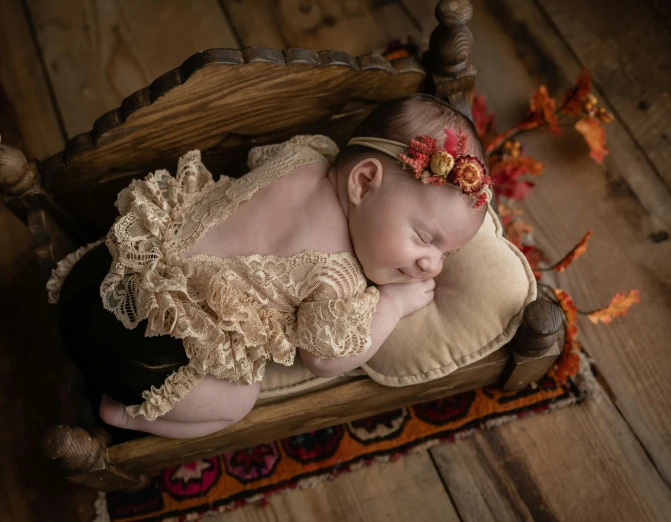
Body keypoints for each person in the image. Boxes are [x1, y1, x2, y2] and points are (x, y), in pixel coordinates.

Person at [48, 94, 491, 438]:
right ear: (365, 181)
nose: (431, 265)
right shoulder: (336, 274)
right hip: (146, 356)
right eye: (425, 239)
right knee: (239, 401)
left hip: (99, 278)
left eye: (446, 254)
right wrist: (390, 306)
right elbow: (322, 358)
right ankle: (124, 415)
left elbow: (256, 160)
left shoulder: (307, 154)